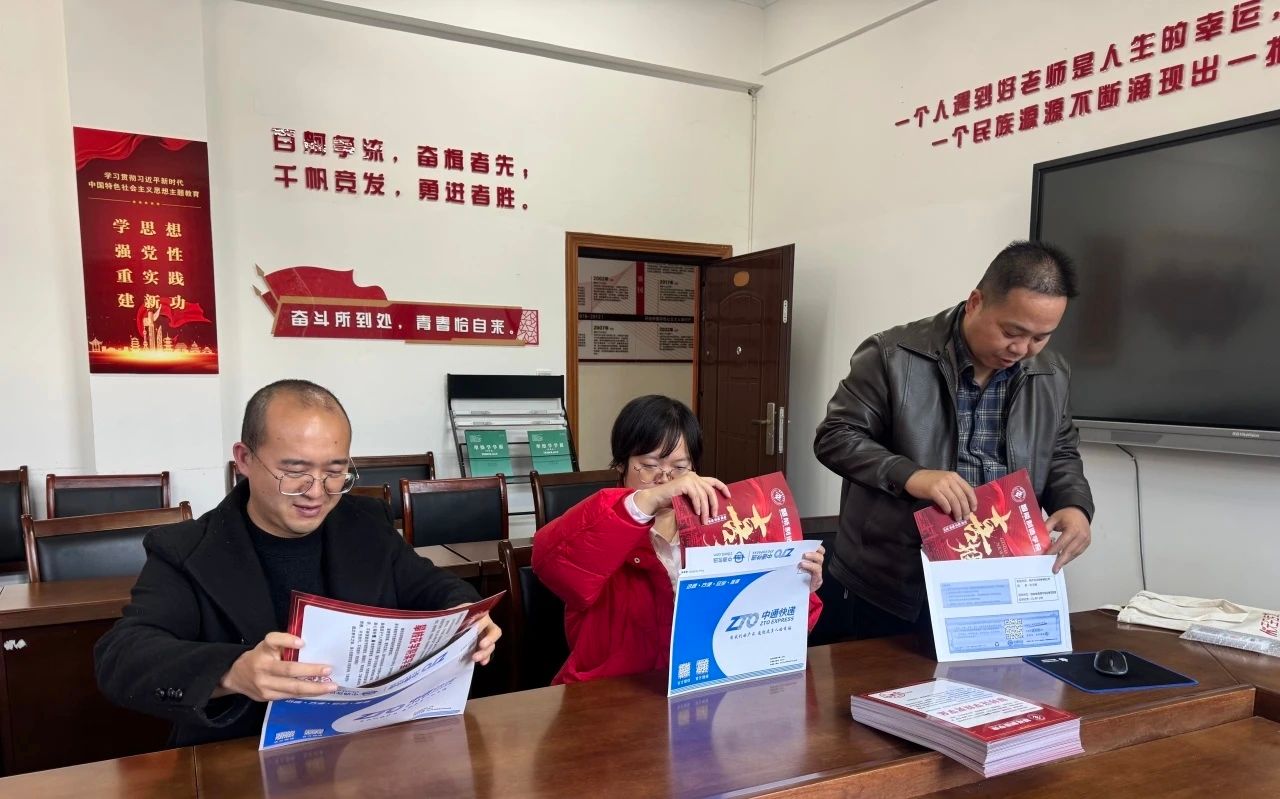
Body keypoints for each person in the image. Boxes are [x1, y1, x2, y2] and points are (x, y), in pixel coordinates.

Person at [95, 379, 501, 746]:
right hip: (235, 758)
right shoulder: (185, 549)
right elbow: (121, 656)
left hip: (362, 749)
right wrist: (232, 671)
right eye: (295, 471)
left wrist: (466, 615)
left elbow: (433, 586)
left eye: (335, 472)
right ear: (244, 459)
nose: (316, 492)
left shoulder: (364, 525)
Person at [811, 241, 1095, 645]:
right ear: (976, 302)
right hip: (894, 581)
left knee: (996, 684)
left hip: (997, 574)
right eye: (1011, 332)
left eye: (1040, 337)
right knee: (883, 682)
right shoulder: (893, 355)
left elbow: (1061, 450)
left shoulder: (1051, 372)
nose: (1022, 350)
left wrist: (1074, 505)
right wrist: (912, 476)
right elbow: (836, 436)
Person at [533, 394, 823, 685]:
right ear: (621, 464)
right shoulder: (601, 525)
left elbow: (765, 633)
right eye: (649, 465)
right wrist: (648, 500)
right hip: (610, 695)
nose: (665, 479)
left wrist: (795, 588)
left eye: (680, 467)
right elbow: (550, 563)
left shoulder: (724, 527)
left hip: (700, 688)